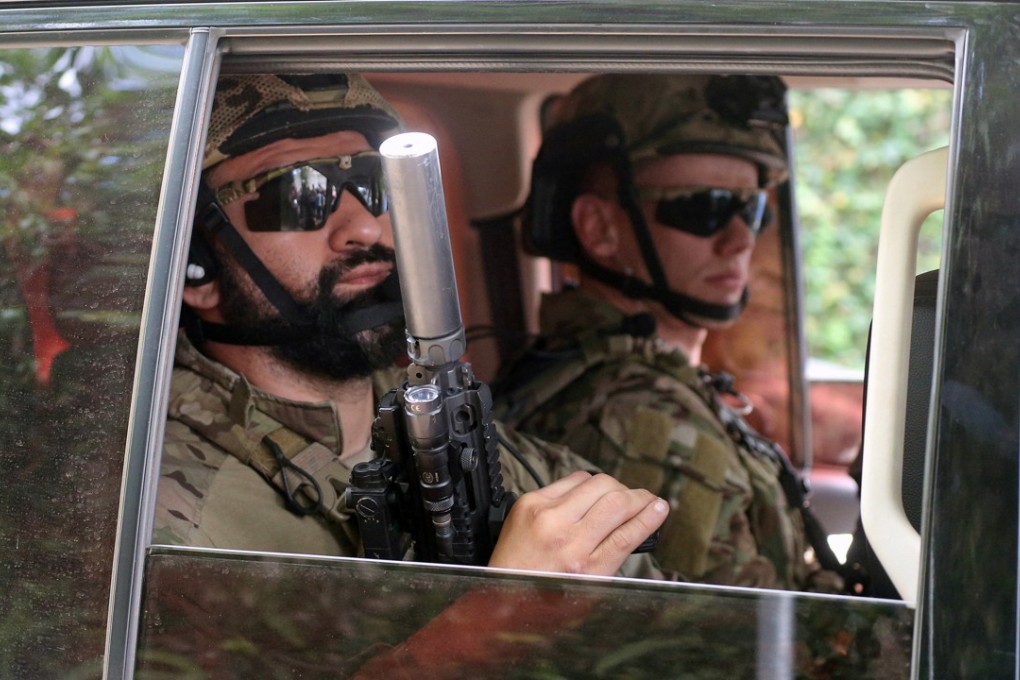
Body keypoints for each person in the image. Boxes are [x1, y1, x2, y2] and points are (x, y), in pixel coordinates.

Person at [152, 72, 668, 578]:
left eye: (375, 186)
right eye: (300, 195)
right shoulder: (162, 520)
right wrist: (497, 623)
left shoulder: (464, 439)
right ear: (197, 265)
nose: (365, 228)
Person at [494, 73, 842, 591]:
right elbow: (747, 649)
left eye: (752, 207)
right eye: (704, 207)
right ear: (599, 229)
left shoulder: (636, 376)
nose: (741, 239)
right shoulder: (643, 418)